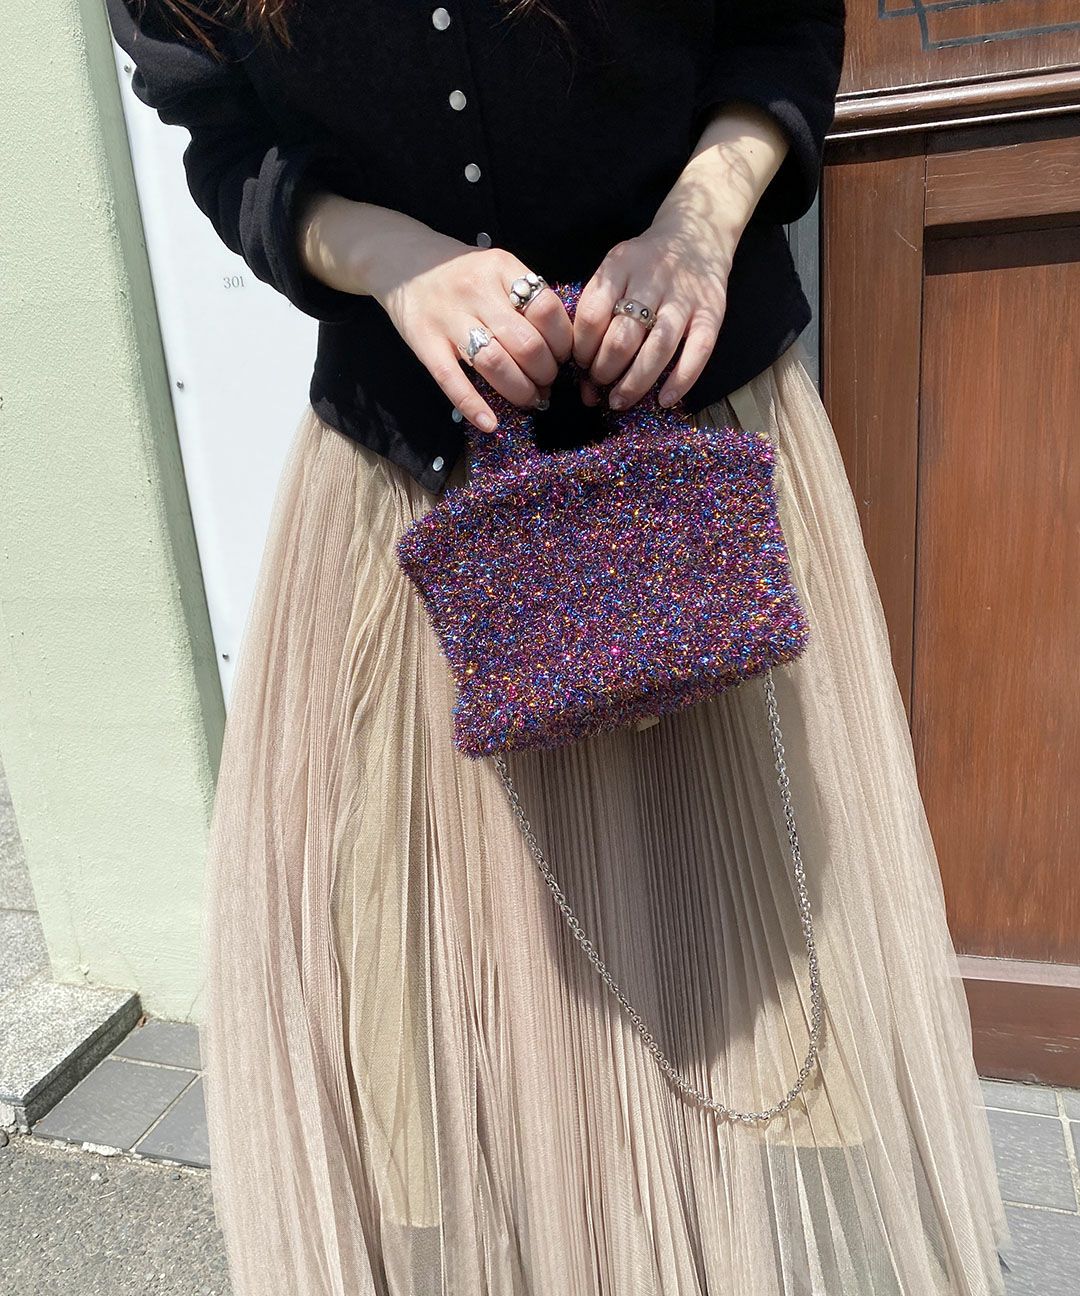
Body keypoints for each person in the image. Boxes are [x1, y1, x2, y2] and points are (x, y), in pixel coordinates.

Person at [105, 2, 1013, 1292]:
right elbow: (226, 141)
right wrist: (397, 261)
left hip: (693, 471)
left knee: (742, 976)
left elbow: (783, 24)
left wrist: (701, 224)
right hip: (417, 502)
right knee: (471, 1016)